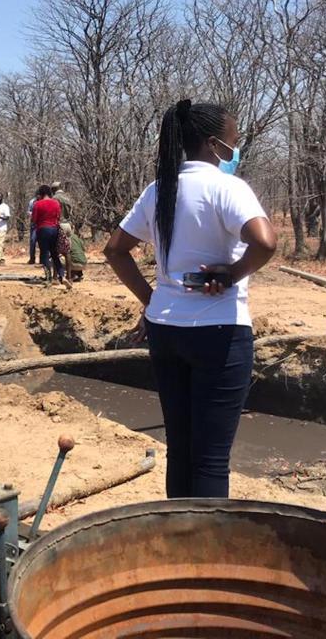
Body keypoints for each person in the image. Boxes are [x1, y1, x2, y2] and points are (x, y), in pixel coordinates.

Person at [105, 99, 277, 499]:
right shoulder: (227, 187)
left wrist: (151, 303)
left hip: (166, 330)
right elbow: (266, 242)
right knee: (211, 458)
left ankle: (179, 545)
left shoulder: (159, 189)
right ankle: (206, 551)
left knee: (180, 451)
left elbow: (115, 250)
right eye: (234, 141)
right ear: (214, 144)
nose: (236, 149)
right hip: (219, 331)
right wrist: (231, 275)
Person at [31, 184, 68, 287]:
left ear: (41, 193)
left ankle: (48, 278)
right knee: (55, 254)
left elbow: (34, 220)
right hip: (54, 229)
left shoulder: (38, 204)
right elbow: (58, 216)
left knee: (44, 254)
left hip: (42, 230)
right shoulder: (56, 203)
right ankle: (62, 276)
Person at [26, 192, 38, 264]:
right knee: (32, 240)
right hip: (34, 224)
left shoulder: (44, 201)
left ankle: (43, 259)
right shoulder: (32, 201)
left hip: (42, 224)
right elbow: (28, 211)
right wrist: (32, 214)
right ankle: (32, 258)